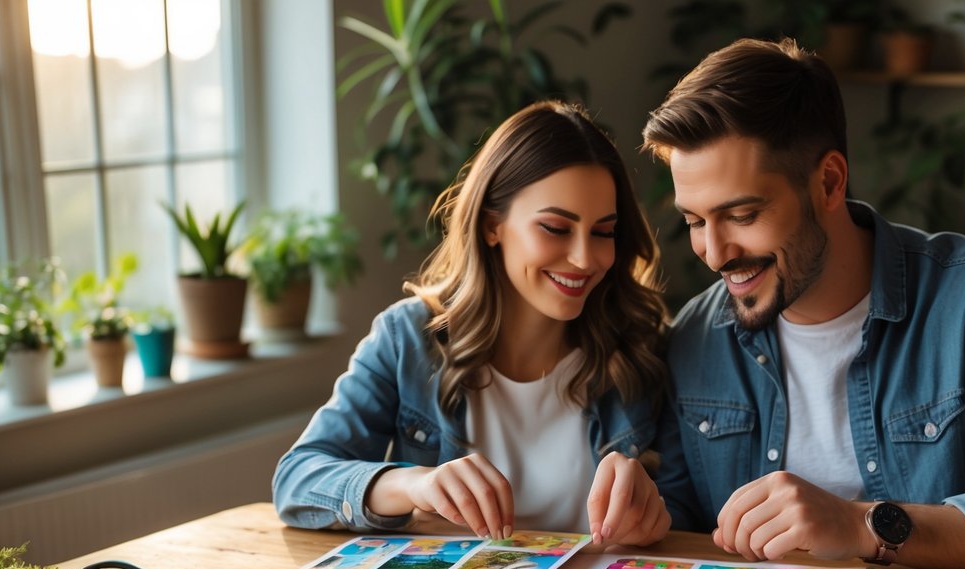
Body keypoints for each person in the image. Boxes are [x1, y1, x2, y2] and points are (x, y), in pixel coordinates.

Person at [641, 38, 965, 569]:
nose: (715, 254)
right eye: (695, 222)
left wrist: (861, 525)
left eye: (743, 215)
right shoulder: (696, 336)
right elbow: (682, 520)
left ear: (830, 182)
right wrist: (646, 513)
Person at [274, 101, 671, 546]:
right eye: (556, 228)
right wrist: (414, 485)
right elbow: (297, 481)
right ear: (491, 226)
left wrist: (655, 516)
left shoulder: (640, 346)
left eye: (602, 232)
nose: (584, 258)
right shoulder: (407, 339)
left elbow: (683, 508)